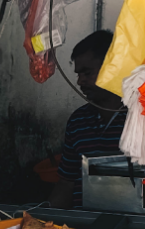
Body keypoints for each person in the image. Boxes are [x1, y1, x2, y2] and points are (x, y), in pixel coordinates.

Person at [50, 31, 128, 209]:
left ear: (113, 67)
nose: (79, 81)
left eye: (87, 73)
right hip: (85, 225)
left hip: (137, 225)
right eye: (78, 74)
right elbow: (66, 182)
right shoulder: (78, 121)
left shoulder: (143, 117)